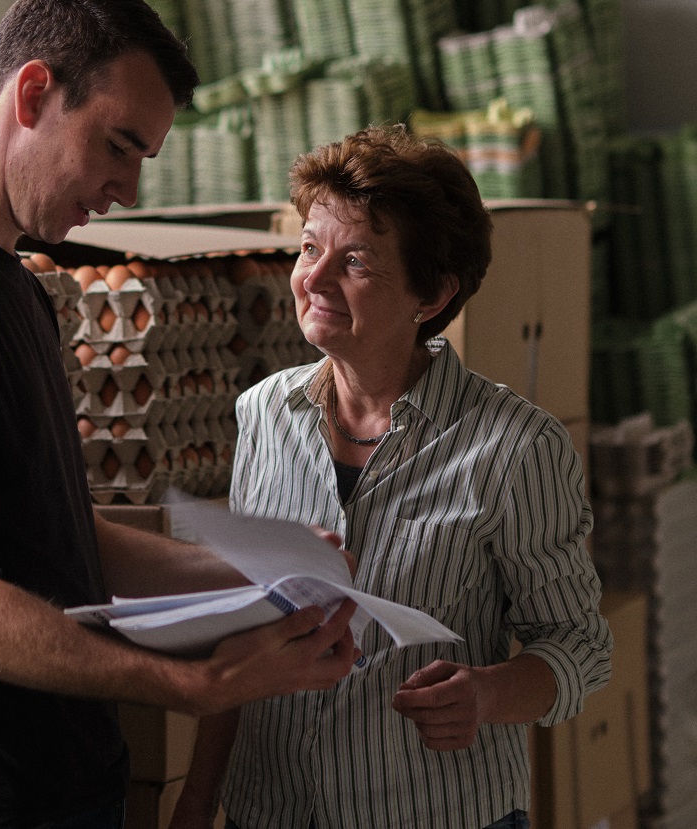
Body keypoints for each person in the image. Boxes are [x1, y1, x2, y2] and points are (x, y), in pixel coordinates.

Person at [0, 0, 360, 829]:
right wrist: (184, 684)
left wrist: (266, 567)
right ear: (33, 92)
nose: (126, 189)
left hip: (52, 786)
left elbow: (58, 535)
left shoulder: (7, 286)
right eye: (117, 145)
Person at [170, 125, 613, 829]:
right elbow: (245, 634)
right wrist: (196, 802)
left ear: (431, 295)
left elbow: (579, 646)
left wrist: (488, 694)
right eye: (310, 247)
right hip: (268, 810)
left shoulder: (515, 446)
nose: (312, 278)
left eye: (357, 263)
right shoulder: (263, 414)